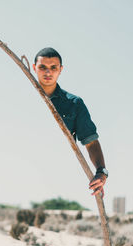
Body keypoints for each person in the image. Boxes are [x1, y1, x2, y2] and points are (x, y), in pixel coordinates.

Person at [32, 47, 108, 197]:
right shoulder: (19, 95)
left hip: (59, 180)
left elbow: (90, 141)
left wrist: (101, 172)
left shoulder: (74, 103)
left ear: (61, 69)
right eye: (42, 67)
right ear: (34, 68)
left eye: (53, 67)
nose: (48, 72)